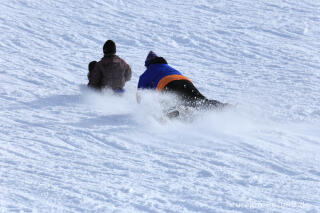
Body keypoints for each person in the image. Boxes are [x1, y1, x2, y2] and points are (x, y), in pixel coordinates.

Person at [137, 51, 228, 111]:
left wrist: (141, 109)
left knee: (169, 104)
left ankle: (172, 118)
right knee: (200, 102)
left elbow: (140, 95)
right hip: (185, 82)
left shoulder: (146, 74)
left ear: (148, 65)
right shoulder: (168, 67)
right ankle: (225, 108)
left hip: (167, 84)